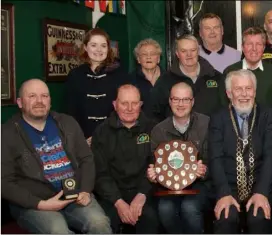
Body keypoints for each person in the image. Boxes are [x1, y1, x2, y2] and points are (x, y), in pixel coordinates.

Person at [2, 79, 112, 234]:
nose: (39, 101)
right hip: (35, 203)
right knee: (58, 230)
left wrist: (86, 190)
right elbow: (4, 182)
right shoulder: (7, 134)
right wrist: (40, 204)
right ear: (20, 102)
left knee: (99, 223)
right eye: (32, 96)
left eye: (44, 96)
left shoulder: (67, 122)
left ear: (50, 101)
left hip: (75, 195)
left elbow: (86, 159)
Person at [209, 69, 272, 233]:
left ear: (255, 90)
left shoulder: (268, 115)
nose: (244, 94)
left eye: (248, 88)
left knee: (259, 218)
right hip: (228, 187)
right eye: (238, 89)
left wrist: (261, 192)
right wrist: (224, 193)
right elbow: (215, 159)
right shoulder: (218, 118)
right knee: (226, 219)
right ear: (228, 93)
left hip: (258, 185)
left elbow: (270, 156)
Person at [92, 84, 159, 233]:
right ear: (115, 105)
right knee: (107, 222)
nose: (129, 108)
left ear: (141, 105)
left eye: (134, 103)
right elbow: (100, 174)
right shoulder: (101, 133)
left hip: (144, 193)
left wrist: (142, 194)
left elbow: (155, 166)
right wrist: (118, 202)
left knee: (151, 218)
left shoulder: (154, 129)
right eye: (124, 103)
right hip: (112, 196)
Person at [146, 82, 210, 234]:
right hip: (168, 187)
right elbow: (154, 165)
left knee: (189, 208)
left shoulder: (207, 124)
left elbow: (216, 160)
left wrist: (205, 170)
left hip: (200, 185)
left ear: (192, 101)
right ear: (170, 101)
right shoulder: (158, 130)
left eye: (185, 99)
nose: (180, 104)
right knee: (165, 209)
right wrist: (153, 175)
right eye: (176, 99)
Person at [65, 28, 129, 142]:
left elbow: (126, 110)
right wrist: (80, 139)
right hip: (83, 139)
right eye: (94, 45)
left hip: (114, 138)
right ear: (85, 47)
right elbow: (70, 111)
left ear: (108, 49)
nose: (99, 50)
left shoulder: (121, 75)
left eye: (103, 46)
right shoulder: (75, 75)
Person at [150, 34, 226, 123]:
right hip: (176, 135)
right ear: (177, 54)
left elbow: (226, 110)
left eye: (193, 50)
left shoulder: (217, 77)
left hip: (212, 134)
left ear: (198, 51)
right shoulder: (165, 81)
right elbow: (155, 114)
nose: (189, 55)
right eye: (183, 51)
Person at [223, 27, 272, 109]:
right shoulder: (230, 72)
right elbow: (224, 106)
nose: (254, 49)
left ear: (263, 48)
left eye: (258, 44)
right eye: (249, 44)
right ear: (242, 47)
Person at [130, 38, 164, 118]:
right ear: (138, 59)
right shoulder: (130, 80)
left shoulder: (169, 78)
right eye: (144, 54)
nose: (149, 57)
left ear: (158, 58)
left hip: (165, 127)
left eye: (152, 54)